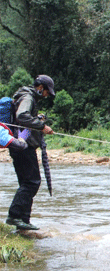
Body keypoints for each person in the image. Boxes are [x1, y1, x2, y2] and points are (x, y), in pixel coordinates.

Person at [6, 75, 55, 231]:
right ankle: (14, 216)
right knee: (32, 182)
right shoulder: (28, 96)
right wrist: (41, 126)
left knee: (26, 182)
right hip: (23, 145)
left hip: (19, 143)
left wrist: (37, 119)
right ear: (40, 88)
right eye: (47, 91)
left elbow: (22, 118)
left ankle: (23, 222)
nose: (47, 95)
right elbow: (22, 116)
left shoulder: (27, 96)